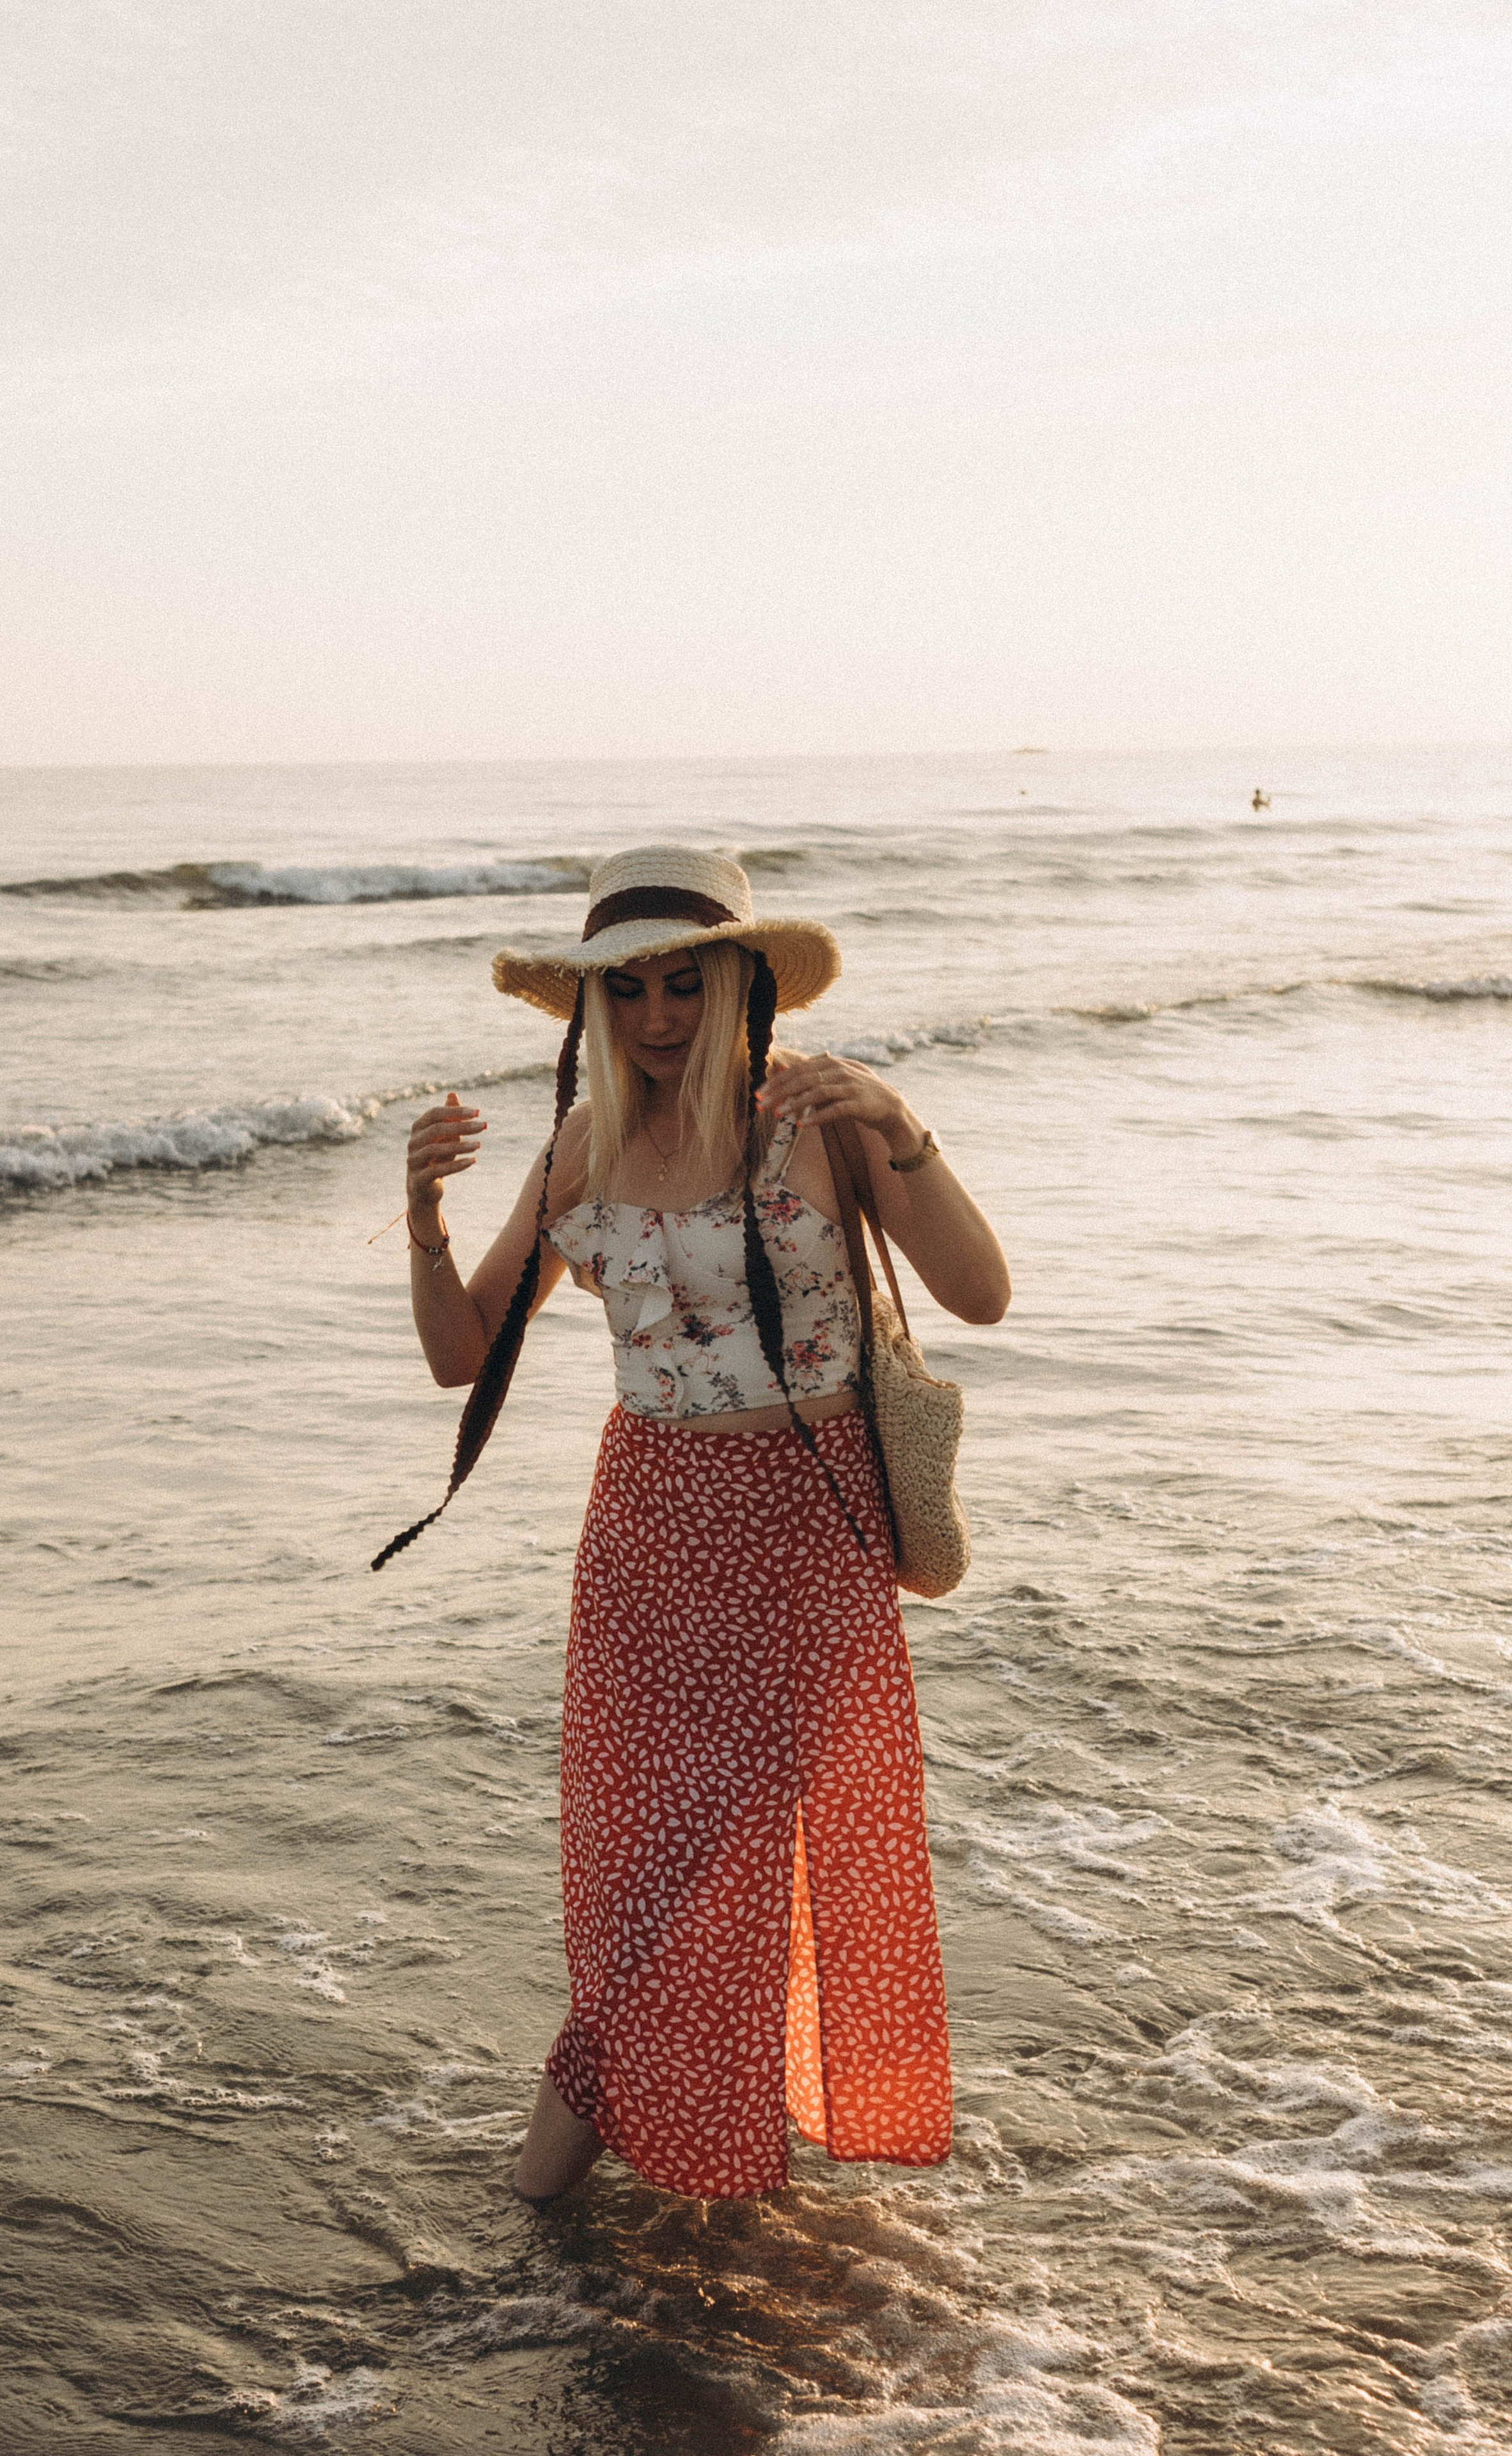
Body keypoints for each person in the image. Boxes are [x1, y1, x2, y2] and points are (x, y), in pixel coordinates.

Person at [388, 846, 1011, 2205]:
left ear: (739, 982)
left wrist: (903, 1126)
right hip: (646, 1542)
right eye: (627, 994)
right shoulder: (581, 1147)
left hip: (804, 1534)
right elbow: (461, 1355)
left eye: (685, 983)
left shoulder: (820, 1117)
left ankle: (540, 2201)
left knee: (705, 1878)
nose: (658, 1018)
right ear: (593, 1009)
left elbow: (978, 1294)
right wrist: (425, 1221)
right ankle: (625, 2177)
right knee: (650, 1882)